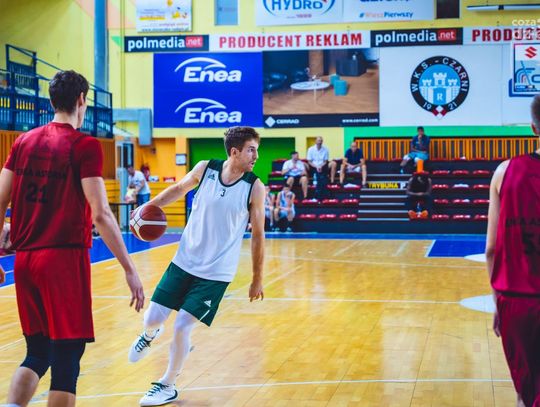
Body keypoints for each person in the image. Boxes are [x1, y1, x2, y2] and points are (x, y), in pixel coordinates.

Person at [0, 70, 144, 407]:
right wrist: (129, 267)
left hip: (25, 262)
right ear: (82, 100)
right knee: (66, 361)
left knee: (37, 352)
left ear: (51, 101)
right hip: (62, 262)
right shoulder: (84, 145)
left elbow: (1, 199)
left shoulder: (22, 142)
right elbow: (101, 213)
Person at [128, 126, 265, 406]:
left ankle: (167, 385)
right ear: (234, 151)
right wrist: (147, 208)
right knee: (151, 319)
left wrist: (256, 278)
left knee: (182, 326)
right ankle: (150, 334)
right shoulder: (206, 169)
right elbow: (178, 189)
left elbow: (258, 235)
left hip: (216, 273)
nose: (256, 156)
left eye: (257, 150)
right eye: (251, 150)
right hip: (184, 261)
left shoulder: (254, 187)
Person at [487, 94, 540, 407]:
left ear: (533, 127)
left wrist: (498, 302)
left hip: (516, 301)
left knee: (526, 394)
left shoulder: (504, 171)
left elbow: (491, 249)